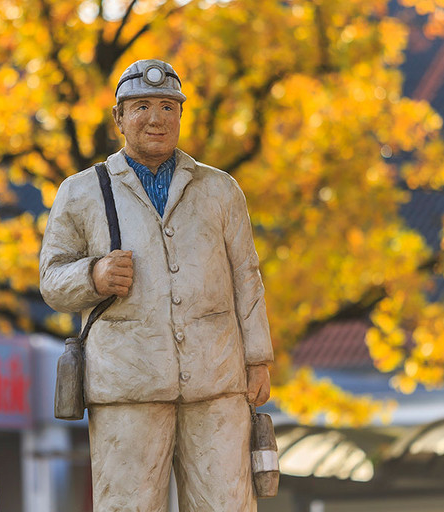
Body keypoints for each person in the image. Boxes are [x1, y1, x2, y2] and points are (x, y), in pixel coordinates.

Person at [39, 58, 273, 512]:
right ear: (119, 117)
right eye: (141, 106)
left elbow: (247, 276)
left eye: (168, 107)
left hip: (216, 379)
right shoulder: (81, 192)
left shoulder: (220, 189)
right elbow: (51, 280)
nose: (156, 119)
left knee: (227, 504)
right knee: (129, 505)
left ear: (181, 115)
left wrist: (258, 358)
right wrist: (94, 275)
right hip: (127, 383)